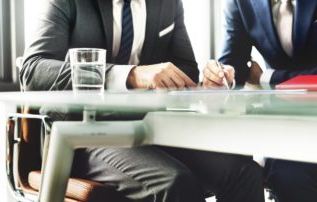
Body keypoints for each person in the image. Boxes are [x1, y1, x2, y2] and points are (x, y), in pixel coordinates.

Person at [20, 0, 265, 201]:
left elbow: (186, 71)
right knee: (175, 182)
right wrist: (130, 74)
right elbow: (32, 70)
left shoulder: (167, 4)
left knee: (244, 172)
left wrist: (209, 81)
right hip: (81, 135)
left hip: (150, 129)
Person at [202, 0, 317, 201]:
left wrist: (267, 78)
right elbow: (232, 63)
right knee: (286, 176)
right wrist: (221, 76)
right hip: (285, 128)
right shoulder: (241, 3)